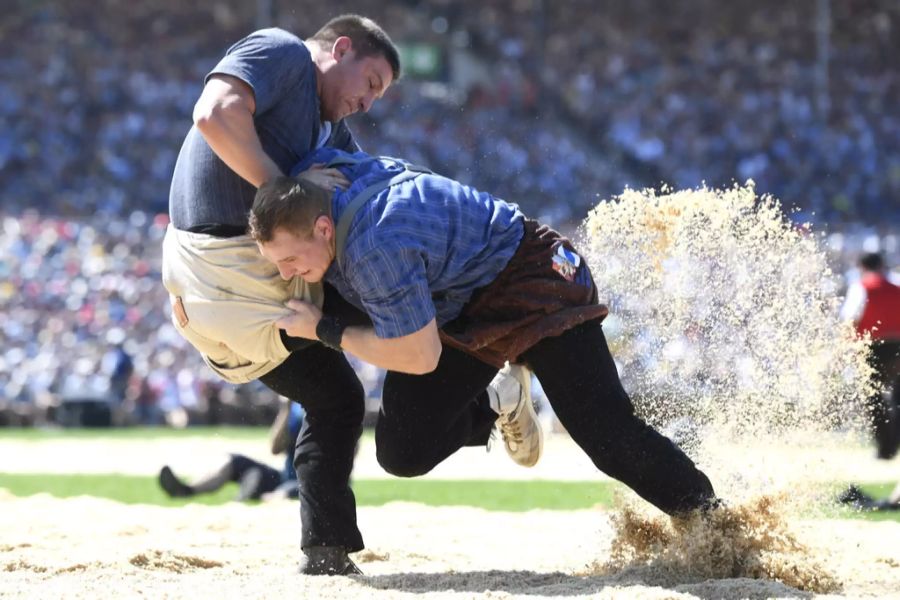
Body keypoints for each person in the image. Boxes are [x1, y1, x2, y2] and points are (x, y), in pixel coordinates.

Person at [162, 15, 534, 575]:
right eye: (371, 83)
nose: (369, 102)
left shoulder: (326, 135)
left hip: (232, 294)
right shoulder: (283, 51)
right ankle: (496, 379)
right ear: (340, 49)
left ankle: (326, 552)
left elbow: (376, 184)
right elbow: (213, 116)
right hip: (235, 272)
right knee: (412, 301)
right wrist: (287, 193)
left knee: (338, 398)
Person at [249, 149, 721, 565]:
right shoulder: (328, 174)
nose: (291, 275)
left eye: (292, 260)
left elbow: (418, 355)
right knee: (402, 451)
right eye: (279, 265)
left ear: (324, 226)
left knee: (607, 437)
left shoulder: (373, 246)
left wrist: (325, 329)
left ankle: (715, 524)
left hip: (533, 279)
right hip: (464, 304)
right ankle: (499, 399)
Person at [159, 400, 304, 501]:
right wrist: (286, 407)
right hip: (285, 477)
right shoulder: (296, 407)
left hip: (306, 482)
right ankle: (187, 490)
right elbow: (275, 448)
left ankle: (260, 490)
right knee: (232, 461)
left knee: (290, 488)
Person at [840, 252, 900, 459]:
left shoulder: (861, 286)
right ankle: (894, 442)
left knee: (874, 398)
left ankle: (885, 448)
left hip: (873, 346)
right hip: (898, 344)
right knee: (897, 397)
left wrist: (848, 346)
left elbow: (850, 318)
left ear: (862, 267)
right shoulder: (897, 283)